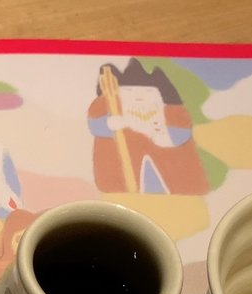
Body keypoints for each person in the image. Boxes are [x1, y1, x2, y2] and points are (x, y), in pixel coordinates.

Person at [88, 59, 209, 195]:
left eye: (148, 91)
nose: (139, 97)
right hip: (124, 180)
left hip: (172, 172)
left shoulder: (171, 110)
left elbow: (181, 130)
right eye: (128, 91)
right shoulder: (109, 106)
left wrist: (165, 137)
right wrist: (110, 123)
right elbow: (95, 123)